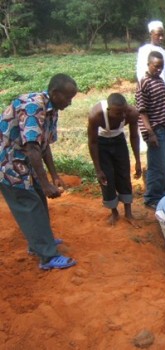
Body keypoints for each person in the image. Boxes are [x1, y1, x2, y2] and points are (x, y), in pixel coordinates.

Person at [0, 74, 78, 270]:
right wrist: (45, 183)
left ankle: (40, 242)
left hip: (25, 161)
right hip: (10, 162)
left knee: (38, 200)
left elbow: (44, 146)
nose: (69, 103)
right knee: (29, 204)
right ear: (54, 93)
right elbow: (32, 148)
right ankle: (48, 256)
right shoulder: (34, 108)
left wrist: (54, 176)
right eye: (67, 98)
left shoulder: (52, 109)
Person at [87, 93, 142, 226]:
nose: (123, 116)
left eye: (124, 112)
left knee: (124, 174)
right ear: (108, 110)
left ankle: (128, 213)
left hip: (119, 142)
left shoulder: (132, 113)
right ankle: (114, 212)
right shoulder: (96, 115)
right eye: (118, 113)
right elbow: (92, 142)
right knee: (106, 178)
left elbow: (134, 137)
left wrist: (138, 161)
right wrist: (98, 169)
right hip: (101, 143)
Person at [136, 51, 165, 209]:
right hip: (155, 131)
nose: (159, 70)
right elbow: (142, 111)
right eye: (156, 66)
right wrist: (150, 133)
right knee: (157, 166)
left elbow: (163, 107)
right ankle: (152, 198)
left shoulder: (159, 80)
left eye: (161, 67)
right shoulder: (144, 82)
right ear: (148, 64)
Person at [136, 20, 165, 106]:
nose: (161, 38)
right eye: (158, 35)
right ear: (151, 34)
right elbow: (141, 74)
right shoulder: (144, 50)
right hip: (151, 93)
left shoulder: (163, 52)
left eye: (162, 35)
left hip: (164, 92)